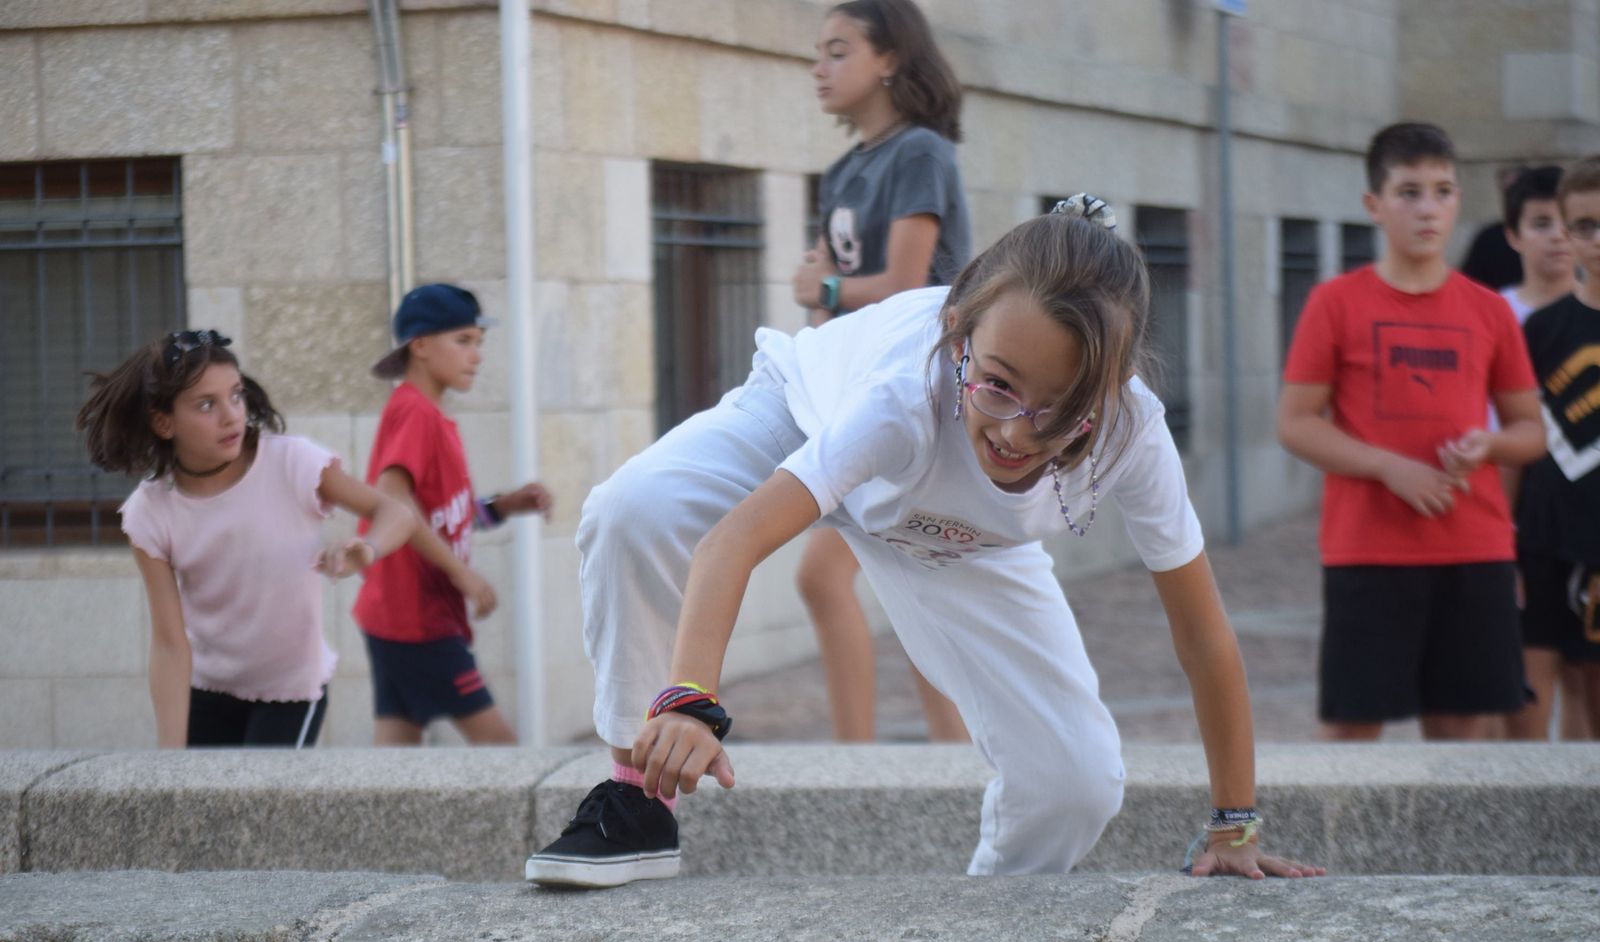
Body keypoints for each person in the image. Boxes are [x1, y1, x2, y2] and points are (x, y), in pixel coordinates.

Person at [526, 198, 1325, 888]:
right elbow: (732, 540)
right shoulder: (900, 396)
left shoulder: (1133, 434)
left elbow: (1203, 633)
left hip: (961, 539)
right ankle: (636, 802)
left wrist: (1236, 823)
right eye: (1000, 383)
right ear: (956, 332)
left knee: (1076, 781)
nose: (1016, 431)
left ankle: (991, 922)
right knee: (633, 507)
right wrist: (689, 702)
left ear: (1108, 396)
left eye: (1059, 411)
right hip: (802, 418)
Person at [1277, 123, 1546, 742]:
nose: (1428, 208)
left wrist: (1491, 445)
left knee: (1458, 739)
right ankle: (1338, 848)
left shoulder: (1489, 310)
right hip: (1368, 551)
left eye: (1443, 190)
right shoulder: (1334, 303)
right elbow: (1295, 424)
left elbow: (1530, 431)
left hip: (1474, 548)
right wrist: (1387, 466)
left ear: (1458, 200)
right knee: (1350, 737)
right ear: (1374, 205)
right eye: (1409, 192)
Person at [75, 329, 415, 748]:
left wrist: (368, 548)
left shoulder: (293, 463)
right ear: (164, 422)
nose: (232, 415)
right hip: (207, 690)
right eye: (206, 405)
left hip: (290, 692)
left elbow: (396, 513)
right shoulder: (150, 510)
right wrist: (168, 758)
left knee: (263, 810)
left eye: (236, 395)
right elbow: (168, 642)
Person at [790, 0, 974, 743]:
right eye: (818, 52)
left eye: (838, 51)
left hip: (921, 393)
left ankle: (876, 761)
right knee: (896, 578)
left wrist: (824, 291)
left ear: (890, 59)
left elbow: (910, 285)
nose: (819, 67)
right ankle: (928, 761)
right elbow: (828, 298)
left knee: (847, 576)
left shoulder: (920, 152)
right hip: (862, 395)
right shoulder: (842, 170)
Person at [353, 284, 552, 746]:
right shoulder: (414, 412)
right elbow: (396, 502)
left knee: (395, 757)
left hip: (401, 615)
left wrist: (504, 506)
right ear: (419, 346)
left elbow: (442, 517)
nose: (476, 355)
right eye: (463, 341)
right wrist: (461, 574)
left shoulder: (431, 415)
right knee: (505, 754)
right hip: (417, 617)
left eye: (479, 343)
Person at [1510, 156, 1600, 741]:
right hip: (1541, 541)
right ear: (1566, 233)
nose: (1598, 239)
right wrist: (1503, 544)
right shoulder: (1538, 330)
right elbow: (1516, 446)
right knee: (1526, 725)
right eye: (1585, 226)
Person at [1499, 166, 1576, 325]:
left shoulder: (1595, 305)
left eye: (1569, 223)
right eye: (1542, 224)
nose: (1559, 235)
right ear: (1514, 237)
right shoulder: (1493, 311)